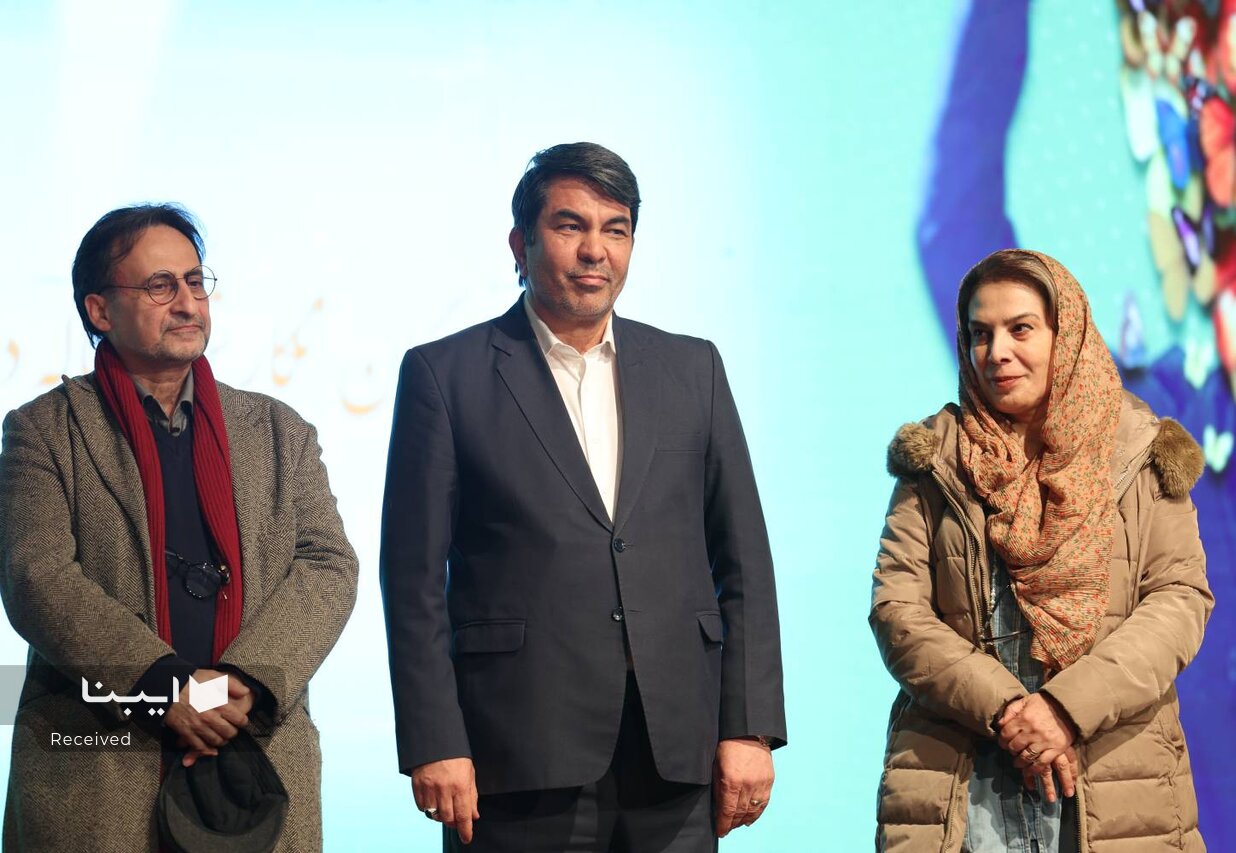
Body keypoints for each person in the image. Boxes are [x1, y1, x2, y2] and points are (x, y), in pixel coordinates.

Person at [380, 142, 786, 851]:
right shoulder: (445, 375)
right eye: (570, 226)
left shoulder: (692, 367)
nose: (595, 250)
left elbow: (742, 558)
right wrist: (434, 739)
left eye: (615, 229)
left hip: (675, 751)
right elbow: (412, 578)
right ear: (522, 243)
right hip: (517, 752)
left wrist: (748, 727)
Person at [0, 204, 358, 850]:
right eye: (161, 286)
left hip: (254, 757)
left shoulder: (279, 431)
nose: (189, 303)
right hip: (100, 766)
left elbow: (327, 566)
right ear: (100, 310)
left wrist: (240, 685)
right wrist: (162, 688)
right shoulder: (44, 430)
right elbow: (37, 577)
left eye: (195, 282)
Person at [869, 249, 1212, 851]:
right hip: (962, 786)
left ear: (1066, 334)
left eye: (1020, 328)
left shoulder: (1141, 453)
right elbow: (897, 611)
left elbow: (1178, 601)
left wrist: (1064, 709)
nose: (997, 351)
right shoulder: (934, 460)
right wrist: (1008, 710)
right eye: (980, 333)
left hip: (1114, 781)